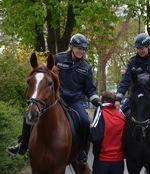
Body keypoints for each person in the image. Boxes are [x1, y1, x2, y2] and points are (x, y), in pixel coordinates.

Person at [7, 33, 100, 165]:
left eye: (83, 49)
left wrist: (96, 100)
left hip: (74, 101)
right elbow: (47, 74)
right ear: (71, 47)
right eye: (79, 48)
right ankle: (22, 144)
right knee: (29, 112)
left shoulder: (86, 67)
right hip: (57, 98)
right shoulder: (59, 58)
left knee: (85, 121)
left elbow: (89, 88)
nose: (81, 51)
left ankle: (81, 152)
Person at [90, 91, 126, 174]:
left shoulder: (101, 110)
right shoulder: (121, 115)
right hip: (118, 162)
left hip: (102, 161)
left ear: (104, 101)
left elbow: (95, 136)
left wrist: (90, 130)